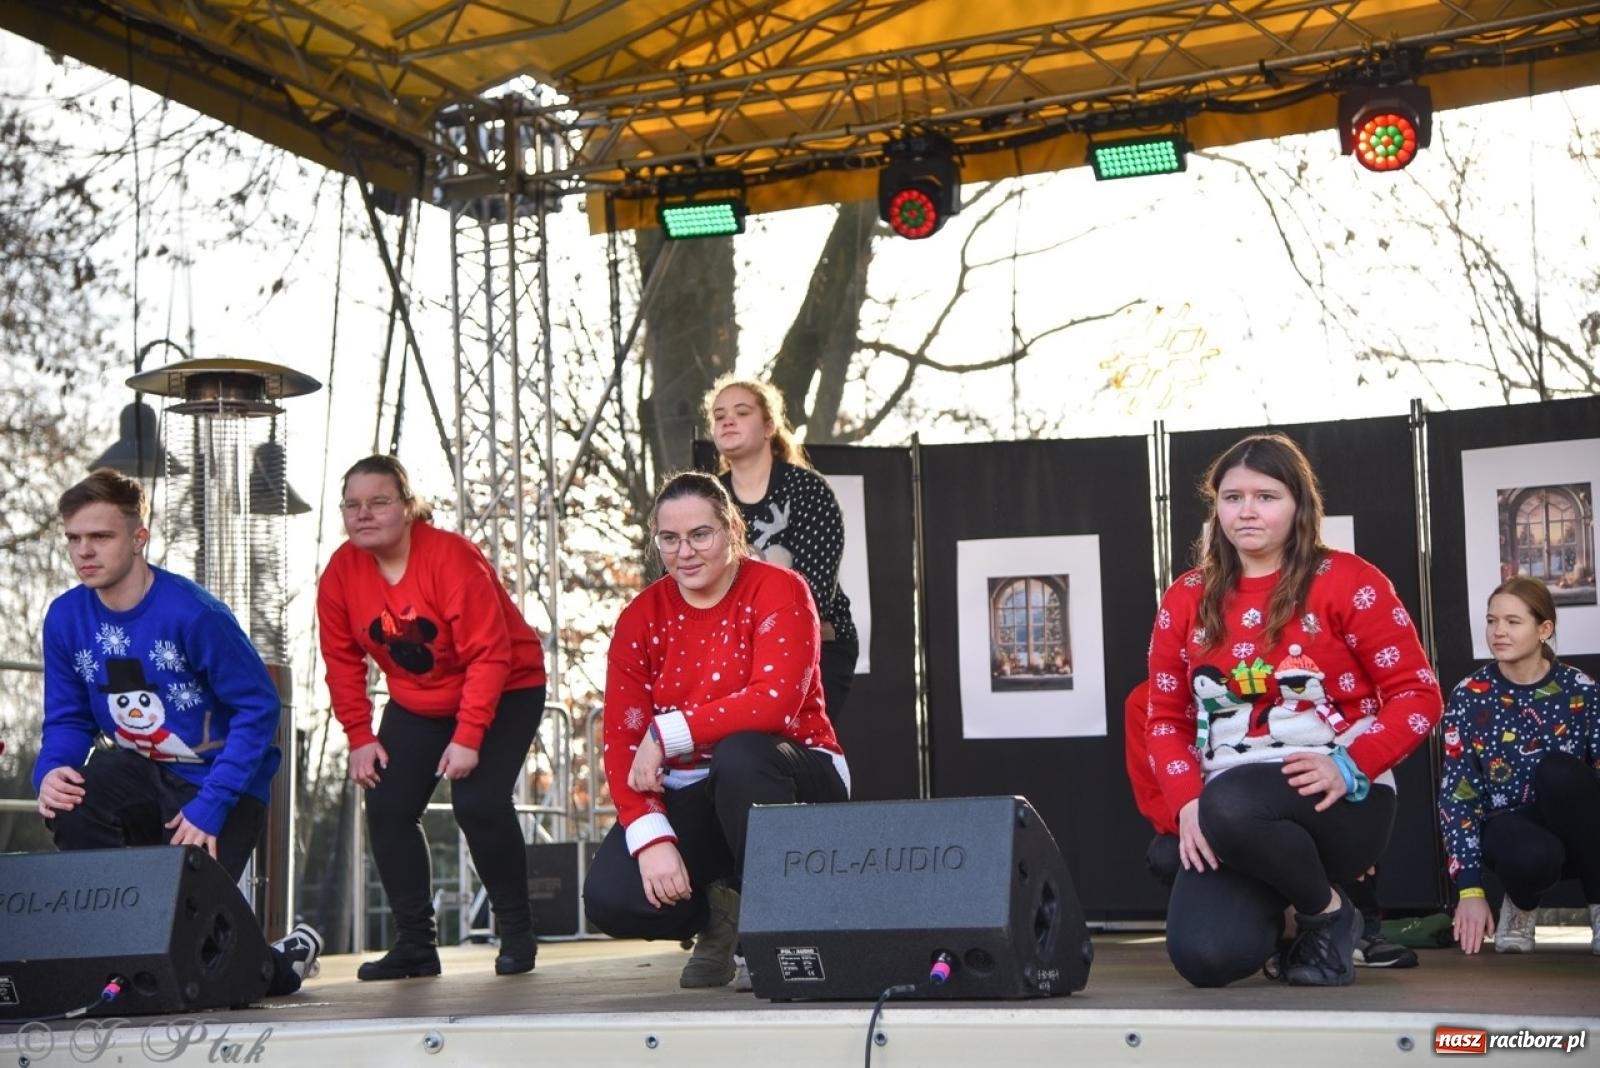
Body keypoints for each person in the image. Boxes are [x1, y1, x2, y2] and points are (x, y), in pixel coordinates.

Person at [1146, 433, 1442, 987]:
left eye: (1266, 496)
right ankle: (1294, 921)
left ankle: (1326, 912)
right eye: (1232, 498)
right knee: (1206, 957)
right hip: (1228, 809)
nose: (1247, 511)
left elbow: (1418, 694)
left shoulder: (1351, 581)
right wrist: (1187, 803)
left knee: (1230, 802)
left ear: (1299, 504)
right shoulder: (1185, 597)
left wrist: (1349, 763)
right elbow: (1166, 719)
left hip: (1339, 795)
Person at [34, 469, 321, 996]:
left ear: (139, 537)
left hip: (218, 781)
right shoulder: (65, 618)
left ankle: (280, 961)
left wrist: (212, 805)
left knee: (199, 956)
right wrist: (51, 770)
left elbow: (259, 708)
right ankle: (114, 946)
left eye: (101, 536)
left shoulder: (194, 615)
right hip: (137, 771)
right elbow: (69, 718)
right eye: (74, 538)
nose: (84, 552)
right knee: (73, 800)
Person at [582, 471, 850, 989]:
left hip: (792, 774)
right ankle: (719, 914)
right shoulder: (640, 617)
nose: (685, 551)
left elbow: (773, 704)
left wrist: (667, 734)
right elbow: (621, 737)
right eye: (669, 538)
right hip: (696, 791)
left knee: (741, 755)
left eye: (700, 534)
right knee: (612, 898)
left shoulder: (780, 589)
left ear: (731, 529)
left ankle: (772, 933)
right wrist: (650, 833)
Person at [318, 455, 547, 980]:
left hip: (506, 686)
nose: (364, 514)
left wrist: (469, 738)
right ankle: (416, 947)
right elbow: (342, 660)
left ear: (406, 507)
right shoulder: (340, 572)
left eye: (378, 502)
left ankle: (517, 933)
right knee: (389, 804)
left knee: (479, 801)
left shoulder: (449, 558)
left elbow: (490, 655)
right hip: (419, 700)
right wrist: (358, 734)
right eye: (352, 505)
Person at [1124, 681, 1418, 968]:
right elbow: (1156, 798)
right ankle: (1279, 932)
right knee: (1169, 854)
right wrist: (1220, 828)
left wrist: (1352, 818)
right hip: (1221, 827)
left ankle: (1359, 929)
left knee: (1326, 811)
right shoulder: (1146, 702)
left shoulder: (1276, 677)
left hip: (1292, 805)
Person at [1439, 576, 1600, 955]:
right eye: (1492, 620)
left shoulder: (1580, 688)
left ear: (1544, 629)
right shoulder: (1469, 695)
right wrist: (1471, 889)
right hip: (1513, 830)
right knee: (1533, 854)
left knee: (1560, 772)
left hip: (1582, 832)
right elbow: (1458, 795)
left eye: (1513, 622)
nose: (1498, 632)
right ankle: (1522, 907)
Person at [706, 376, 859, 723]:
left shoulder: (808, 491)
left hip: (817, 652)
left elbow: (813, 592)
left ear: (769, 426)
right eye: (719, 416)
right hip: (731, 656)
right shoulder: (707, 499)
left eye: (741, 412)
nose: (727, 420)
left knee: (783, 751)